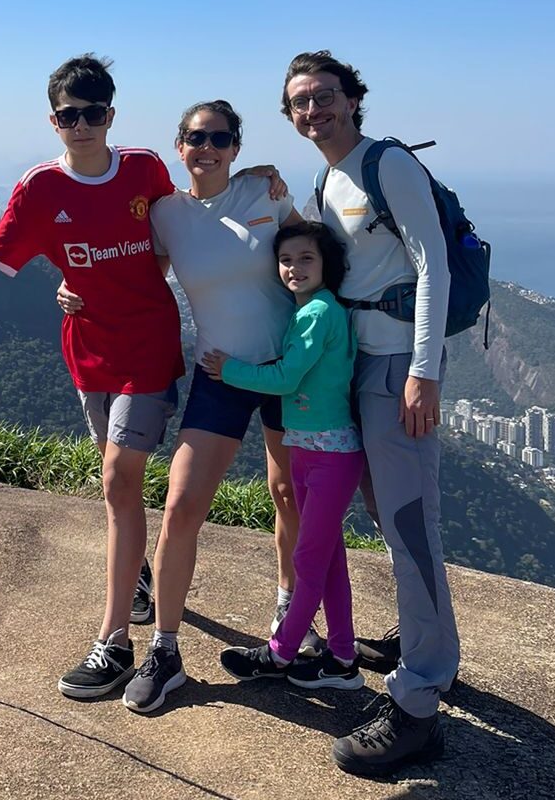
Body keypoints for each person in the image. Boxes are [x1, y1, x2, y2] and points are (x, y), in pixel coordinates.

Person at [0, 54, 184, 700]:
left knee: (119, 477)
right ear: (53, 120)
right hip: (87, 351)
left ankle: (115, 642)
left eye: (94, 113)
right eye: (70, 115)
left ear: (111, 116)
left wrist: (257, 191)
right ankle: (139, 576)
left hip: (148, 346)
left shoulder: (146, 169)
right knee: (116, 485)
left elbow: (184, 230)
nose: (82, 125)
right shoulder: (41, 189)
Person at [58, 100, 322, 714]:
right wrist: (73, 286)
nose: (208, 147)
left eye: (221, 138)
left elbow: (312, 254)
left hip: (289, 369)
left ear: (235, 146)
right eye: (196, 138)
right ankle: (166, 648)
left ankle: (291, 614)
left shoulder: (266, 191)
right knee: (180, 504)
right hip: (219, 372)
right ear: (179, 146)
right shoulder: (166, 213)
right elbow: (127, 268)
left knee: (288, 495)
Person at [281, 50, 459, 777]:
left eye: (325, 95)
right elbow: (320, 259)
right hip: (357, 369)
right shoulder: (327, 178)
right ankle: (432, 654)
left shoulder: (388, 165)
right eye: (300, 101)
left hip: (395, 372)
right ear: (290, 115)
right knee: (393, 521)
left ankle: (418, 705)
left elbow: (434, 264)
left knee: (410, 525)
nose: (315, 109)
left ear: (353, 99)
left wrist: (422, 371)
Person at [204, 221, 364, 692]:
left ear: (326, 264)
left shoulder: (317, 313)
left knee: (309, 562)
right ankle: (342, 658)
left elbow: (288, 379)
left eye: (306, 258)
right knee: (329, 561)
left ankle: (279, 654)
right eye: (287, 259)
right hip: (311, 450)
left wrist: (227, 371)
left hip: (329, 456)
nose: (294, 267)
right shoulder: (314, 310)